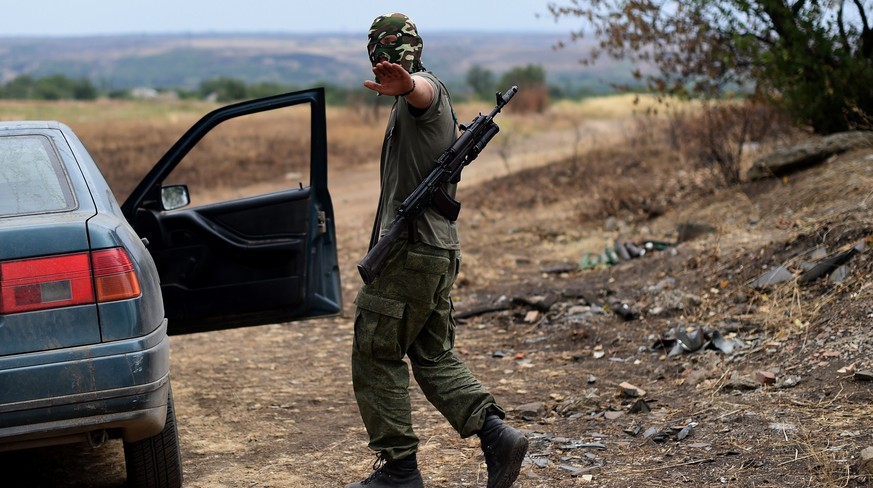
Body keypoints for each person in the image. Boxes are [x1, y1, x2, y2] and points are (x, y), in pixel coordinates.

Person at [346, 12, 528, 488]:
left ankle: (400, 471)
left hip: (411, 252)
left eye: (389, 49)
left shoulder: (424, 92)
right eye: (380, 50)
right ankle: (497, 437)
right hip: (435, 251)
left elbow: (424, 92)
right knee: (431, 354)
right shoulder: (408, 101)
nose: (383, 58)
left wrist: (408, 86)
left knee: (375, 350)